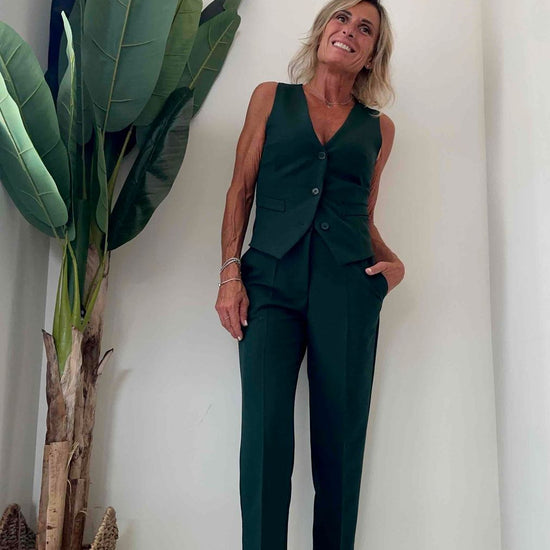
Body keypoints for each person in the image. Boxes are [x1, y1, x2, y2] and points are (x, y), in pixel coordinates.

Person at [215, 1, 405, 548]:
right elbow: (240, 189)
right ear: (323, 30)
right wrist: (230, 272)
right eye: (342, 18)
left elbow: (363, 214)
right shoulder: (270, 98)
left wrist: (393, 265)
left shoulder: (379, 128)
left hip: (347, 289)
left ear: (371, 55)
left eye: (365, 29)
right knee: (265, 437)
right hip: (269, 282)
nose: (349, 30)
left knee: (341, 443)